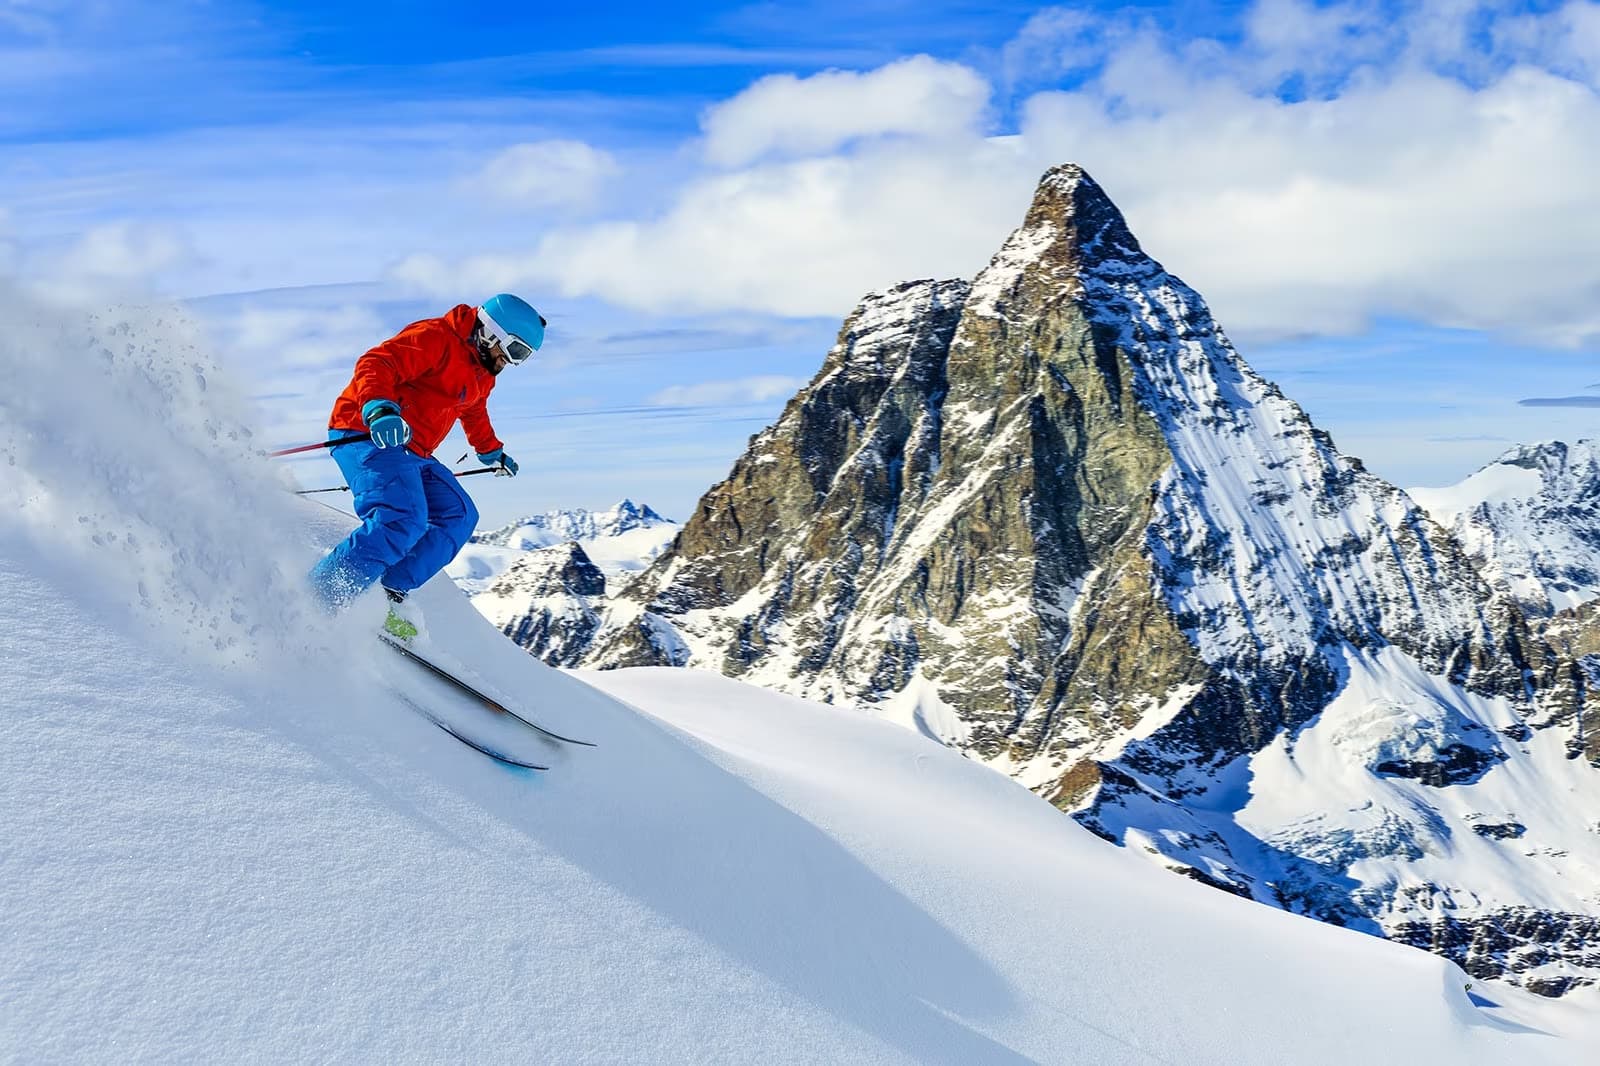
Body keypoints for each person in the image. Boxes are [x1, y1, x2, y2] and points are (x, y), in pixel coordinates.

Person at [308, 293, 545, 631]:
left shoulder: (483, 371)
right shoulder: (435, 338)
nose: (512, 362)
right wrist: (380, 408)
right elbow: (376, 363)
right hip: (365, 431)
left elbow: (473, 409)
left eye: (523, 356)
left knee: (460, 515)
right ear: (492, 333)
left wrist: (490, 449)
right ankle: (319, 599)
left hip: (412, 448)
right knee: (402, 518)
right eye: (515, 350)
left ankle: (385, 591)